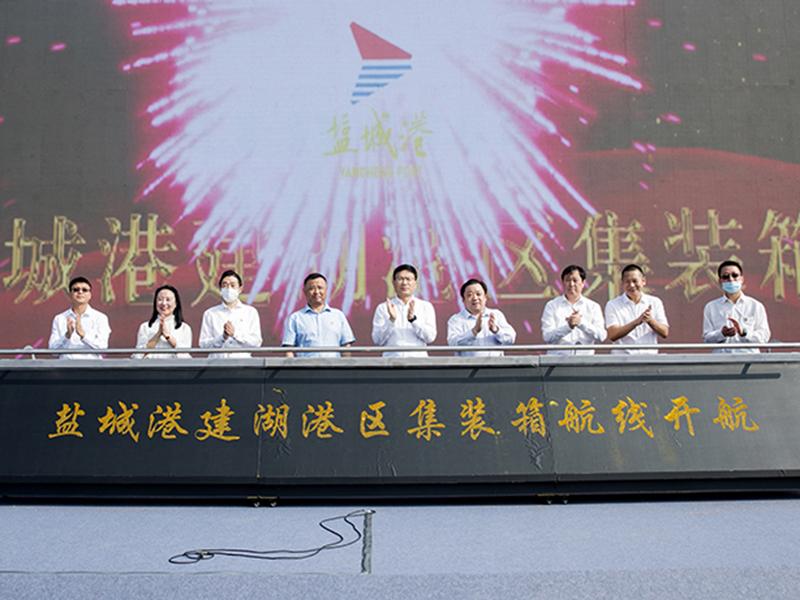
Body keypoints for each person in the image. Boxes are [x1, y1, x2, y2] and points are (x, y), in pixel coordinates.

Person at [702, 260, 770, 353]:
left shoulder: (755, 306)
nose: (731, 279)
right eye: (725, 276)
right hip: (721, 359)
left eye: (735, 275)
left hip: (749, 358)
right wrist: (721, 334)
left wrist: (744, 333)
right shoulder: (711, 307)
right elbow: (707, 339)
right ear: (720, 281)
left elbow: (764, 337)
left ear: (742, 279)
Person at [282, 273, 355, 358]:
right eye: (311, 288)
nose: (316, 292)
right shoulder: (295, 318)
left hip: (334, 365)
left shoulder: (338, 315)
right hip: (306, 365)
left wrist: (346, 365)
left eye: (320, 288)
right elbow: (289, 349)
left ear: (326, 290)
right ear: (304, 291)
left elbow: (346, 346)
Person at [371, 264, 436, 357]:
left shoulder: (425, 306)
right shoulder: (383, 308)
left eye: (408, 279)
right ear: (393, 282)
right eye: (400, 279)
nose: (404, 283)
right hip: (391, 360)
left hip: (418, 361)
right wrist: (391, 320)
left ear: (415, 283)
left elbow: (430, 338)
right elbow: (377, 340)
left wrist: (413, 320)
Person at [541, 265, 606, 355]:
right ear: (563, 282)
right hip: (557, 360)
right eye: (568, 280)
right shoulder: (552, 306)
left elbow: (601, 336)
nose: (571, 284)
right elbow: (547, 337)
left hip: (585, 360)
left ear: (583, 283)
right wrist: (568, 327)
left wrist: (581, 323)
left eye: (575, 280)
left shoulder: (593, 307)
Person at [604, 264, 669, 354]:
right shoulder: (612, 304)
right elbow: (612, 335)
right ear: (622, 283)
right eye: (627, 282)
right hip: (622, 358)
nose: (631, 285)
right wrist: (636, 322)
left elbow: (665, 332)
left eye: (635, 281)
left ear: (643, 281)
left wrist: (650, 320)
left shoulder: (655, 302)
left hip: (649, 358)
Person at [199, 270, 262, 358]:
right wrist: (222, 338)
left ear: (240, 289)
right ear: (220, 289)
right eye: (225, 285)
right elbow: (203, 345)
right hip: (216, 363)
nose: (228, 289)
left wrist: (235, 334)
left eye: (232, 285)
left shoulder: (250, 312)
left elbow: (256, 342)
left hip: (243, 363)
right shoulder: (210, 314)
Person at [447, 278, 516, 357]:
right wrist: (474, 331)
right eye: (469, 295)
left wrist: (496, 330)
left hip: (495, 364)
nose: (475, 298)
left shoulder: (496, 314)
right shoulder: (456, 319)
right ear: (463, 300)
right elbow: (453, 344)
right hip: (468, 364)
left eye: (478, 294)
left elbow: (510, 339)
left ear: (485, 297)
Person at [48, 276, 111, 359]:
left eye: (84, 290)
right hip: (66, 365)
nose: (80, 292)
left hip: (92, 365)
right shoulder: (60, 318)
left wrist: (83, 335)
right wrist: (66, 336)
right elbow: (52, 351)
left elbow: (103, 348)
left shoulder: (100, 318)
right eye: (76, 290)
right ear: (70, 294)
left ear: (90, 295)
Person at [134, 285, 192, 359]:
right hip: (151, 366)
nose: (164, 303)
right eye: (160, 299)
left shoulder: (184, 328)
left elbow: (185, 357)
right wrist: (158, 334)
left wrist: (167, 336)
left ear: (176, 304)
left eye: (168, 300)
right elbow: (138, 356)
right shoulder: (145, 327)